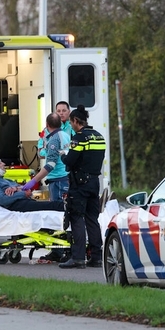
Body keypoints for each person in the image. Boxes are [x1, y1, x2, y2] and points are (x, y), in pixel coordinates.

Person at [59, 105, 106, 269]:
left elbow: (71, 160)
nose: (71, 125)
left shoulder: (79, 138)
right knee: (92, 219)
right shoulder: (99, 136)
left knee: (76, 218)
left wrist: (63, 156)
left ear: (75, 121)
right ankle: (96, 257)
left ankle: (78, 257)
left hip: (79, 184)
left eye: (71, 122)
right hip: (94, 182)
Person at [26, 112, 71, 263]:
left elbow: (50, 164)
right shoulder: (65, 135)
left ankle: (59, 251)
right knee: (65, 213)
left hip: (58, 181)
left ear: (47, 125)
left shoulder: (53, 140)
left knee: (57, 216)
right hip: (65, 178)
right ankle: (65, 249)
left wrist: (33, 182)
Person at [0, 157, 65, 213]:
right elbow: (3, 200)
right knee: (55, 205)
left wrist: (16, 188)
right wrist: (23, 193)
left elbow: (25, 189)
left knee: (54, 205)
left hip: (25, 202)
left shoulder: (7, 180)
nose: (3, 164)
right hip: (17, 205)